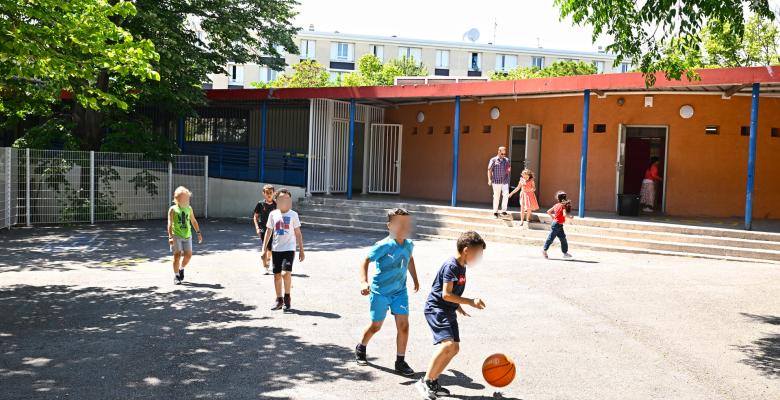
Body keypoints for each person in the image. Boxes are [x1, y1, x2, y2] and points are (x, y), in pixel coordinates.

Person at [416, 231, 487, 399]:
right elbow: (446, 294)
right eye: (477, 253)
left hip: (448, 309)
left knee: (454, 348)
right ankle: (425, 381)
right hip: (437, 308)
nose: (478, 257)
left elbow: (452, 294)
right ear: (466, 250)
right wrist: (469, 301)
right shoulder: (452, 266)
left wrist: (457, 306)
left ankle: (433, 381)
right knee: (447, 345)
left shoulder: (461, 266)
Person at [355, 208, 420, 376]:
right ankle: (361, 347)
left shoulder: (409, 244)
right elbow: (366, 260)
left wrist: (415, 279)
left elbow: (410, 259)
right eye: (399, 224)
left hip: (400, 292)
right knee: (376, 326)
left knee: (404, 326)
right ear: (390, 226)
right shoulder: (383, 245)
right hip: (380, 292)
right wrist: (363, 282)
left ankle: (400, 361)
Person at [262, 188, 305, 311]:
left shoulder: (293, 215)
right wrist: (263, 249)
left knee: (285, 273)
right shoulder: (273, 214)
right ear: (277, 200)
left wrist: (301, 250)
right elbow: (268, 231)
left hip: (289, 248)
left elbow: (298, 233)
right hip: (276, 249)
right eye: (282, 198)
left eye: (287, 198)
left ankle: (287, 296)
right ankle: (279, 299)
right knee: (276, 275)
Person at [167, 186, 203, 285]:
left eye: (188, 198)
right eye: (185, 198)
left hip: (188, 235)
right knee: (177, 255)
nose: (188, 200)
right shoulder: (173, 209)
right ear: (178, 199)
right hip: (176, 236)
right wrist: (170, 237)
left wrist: (198, 233)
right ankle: (176, 275)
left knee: (188, 255)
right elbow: (170, 224)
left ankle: (181, 268)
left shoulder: (189, 208)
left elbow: (193, 221)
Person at [253, 184, 276, 274]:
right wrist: (257, 228)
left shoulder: (276, 204)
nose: (269, 194)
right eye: (267, 193)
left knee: (271, 249)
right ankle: (265, 267)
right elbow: (255, 217)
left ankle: (268, 260)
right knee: (265, 247)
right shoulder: (260, 204)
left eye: (270, 192)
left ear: (273, 193)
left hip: (273, 230)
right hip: (263, 229)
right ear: (263, 193)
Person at [543, 191, 573, 259]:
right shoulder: (563, 206)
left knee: (563, 238)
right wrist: (570, 217)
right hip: (557, 225)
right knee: (551, 238)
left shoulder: (556, 205)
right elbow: (564, 215)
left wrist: (553, 217)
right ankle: (544, 250)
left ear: (558, 198)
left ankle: (565, 253)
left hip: (558, 225)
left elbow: (548, 211)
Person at [487, 146, 511, 218]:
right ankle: (495, 212)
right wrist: (489, 179)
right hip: (496, 181)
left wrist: (508, 170)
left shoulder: (506, 160)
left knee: (506, 194)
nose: (503, 155)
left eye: (504, 154)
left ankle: (503, 211)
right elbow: (489, 170)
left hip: (504, 181)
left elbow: (509, 168)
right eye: (502, 154)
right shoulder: (493, 160)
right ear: (499, 152)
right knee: (496, 197)